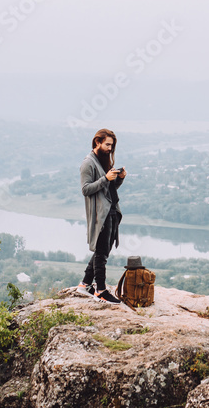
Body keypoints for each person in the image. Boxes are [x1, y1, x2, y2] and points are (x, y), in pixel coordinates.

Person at [77, 128, 126, 304]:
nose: (110, 149)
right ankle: (101, 289)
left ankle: (84, 285)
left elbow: (107, 190)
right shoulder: (88, 163)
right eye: (107, 145)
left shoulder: (103, 160)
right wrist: (106, 178)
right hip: (100, 214)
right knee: (101, 251)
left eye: (112, 146)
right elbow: (85, 189)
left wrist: (119, 179)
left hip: (111, 210)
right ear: (97, 142)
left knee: (103, 249)